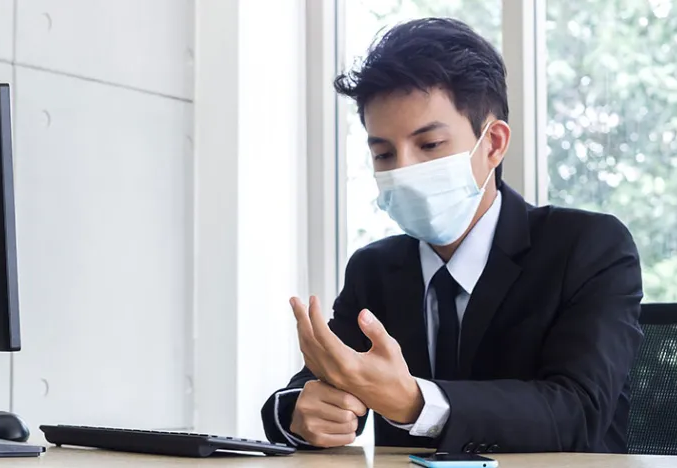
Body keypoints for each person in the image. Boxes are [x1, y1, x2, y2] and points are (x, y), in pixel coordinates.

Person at [261, 17, 643, 454]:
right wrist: (300, 413)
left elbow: (579, 411)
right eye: (383, 153)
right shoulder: (375, 270)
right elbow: (310, 390)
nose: (403, 169)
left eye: (429, 145)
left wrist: (417, 403)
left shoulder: (588, 248)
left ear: (493, 144)